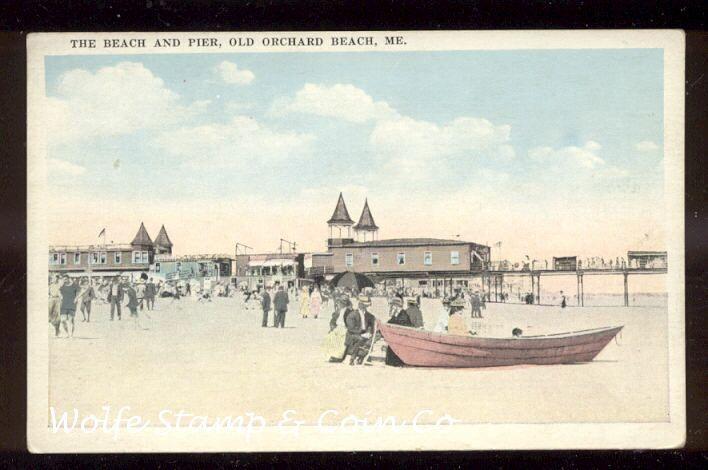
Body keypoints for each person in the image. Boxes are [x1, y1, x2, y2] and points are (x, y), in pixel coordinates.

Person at [344, 295, 376, 365]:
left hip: (365, 334)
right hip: (353, 334)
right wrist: (361, 333)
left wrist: (369, 333)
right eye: (364, 305)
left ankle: (361, 357)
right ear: (360, 304)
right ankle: (353, 357)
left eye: (366, 306)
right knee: (360, 339)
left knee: (372, 339)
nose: (365, 307)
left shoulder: (370, 316)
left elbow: (372, 327)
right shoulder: (352, 315)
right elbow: (351, 328)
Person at [385, 297, 412, 366]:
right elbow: (390, 322)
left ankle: (395, 362)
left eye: (392, 306)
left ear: (396, 306)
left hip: (403, 338)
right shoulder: (397, 314)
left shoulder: (403, 314)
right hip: (397, 336)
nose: (391, 307)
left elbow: (401, 325)